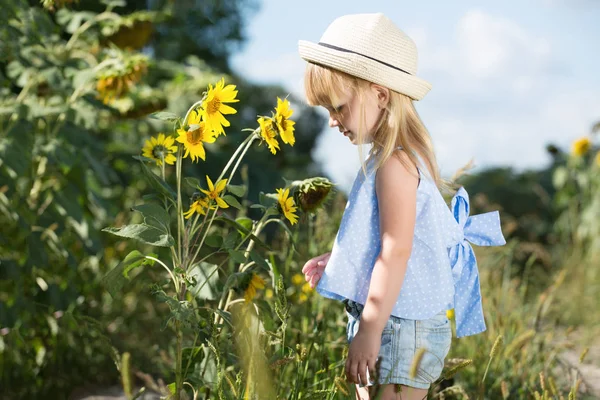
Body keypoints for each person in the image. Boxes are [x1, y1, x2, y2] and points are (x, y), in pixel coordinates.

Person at [298, 13, 507, 400]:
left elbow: (397, 251)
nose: (332, 121)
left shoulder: (393, 164)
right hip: (399, 319)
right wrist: (343, 259)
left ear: (380, 94)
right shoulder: (395, 158)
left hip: (397, 324)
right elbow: (390, 240)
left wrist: (370, 330)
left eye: (338, 107)